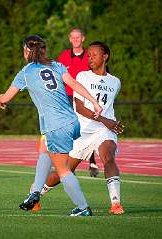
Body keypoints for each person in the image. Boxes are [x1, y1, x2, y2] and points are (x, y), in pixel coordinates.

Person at [0, 35, 102, 216]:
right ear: (44, 50)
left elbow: (5, 98)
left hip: (56, 126)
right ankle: (34, 194)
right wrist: (94, 102)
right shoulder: (57, 65)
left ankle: (83, 208)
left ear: (26, 51)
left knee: (63, 170)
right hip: (71, 121)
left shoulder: (26, 72)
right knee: (44, 148)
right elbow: (74, 84)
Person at [32, 41, 125, 215]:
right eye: (88, 55)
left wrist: (108, 123)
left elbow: (107, 106)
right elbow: (80, 108)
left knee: (108, 158)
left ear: (105, 56)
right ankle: (36, 196)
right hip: (83, 130)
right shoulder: (83, 76)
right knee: (63, 172)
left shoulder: (115, 82)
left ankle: (116, 204)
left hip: (104, 130)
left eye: (94, 55)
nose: (90, 58)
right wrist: (106, 120)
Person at [54, 28, 100, 177]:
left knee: (87, 128)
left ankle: (92, 162)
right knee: (67, 130)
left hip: (85, 98)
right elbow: (56, 76)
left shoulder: (89, 55)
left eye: (78, 37)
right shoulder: (64, 56)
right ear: (69, 39)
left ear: (83, 38)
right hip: (67, 97)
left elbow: (98, 73)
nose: (75, 40)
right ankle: (67, 165)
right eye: (73, 37)